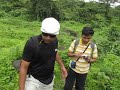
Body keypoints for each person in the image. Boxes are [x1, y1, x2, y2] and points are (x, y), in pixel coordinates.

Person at [19, 17, 68, 90]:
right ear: (41, 31)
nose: (48, 38)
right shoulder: (32, 43)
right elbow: (23, 67)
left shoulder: (55, 41)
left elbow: (55, 52)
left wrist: (62, 66)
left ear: (56, 35)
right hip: (33, 79)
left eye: (52, 36)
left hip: (49, 79)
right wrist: (21, 88)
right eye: (45, 34)